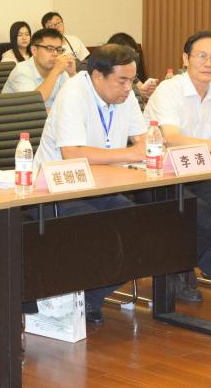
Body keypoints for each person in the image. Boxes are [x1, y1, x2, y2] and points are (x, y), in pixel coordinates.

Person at [35, 44, 147, 323]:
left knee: (142, 229)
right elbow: (72, 153)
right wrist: (131, 154)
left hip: (103, 186)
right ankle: (77, 301)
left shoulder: (125, 94)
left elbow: (145, 140)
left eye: (132, 80)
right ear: (97, 76)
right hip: (58, 191)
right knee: (103, 233)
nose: (129, 88)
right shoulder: (73, 93)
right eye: (122, 81)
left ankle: (88, 300)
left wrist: (140, 149)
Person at [144, 30, 211, 303]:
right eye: (202, 56)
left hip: (196, 173)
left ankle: (189, 267)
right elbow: (171, 138)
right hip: (158, 177)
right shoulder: (169, 90)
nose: (208, 63)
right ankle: (177, 271)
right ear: (185, 59)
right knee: (204, 215)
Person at [2, 27, 75, 109]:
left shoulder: (60, 70)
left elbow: (74, 100)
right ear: (34, 50)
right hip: (18, 116)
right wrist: (55, 71)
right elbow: (33, 104)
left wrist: (72, 74)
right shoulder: (21, 71)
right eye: (49, 49)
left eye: (59, 49)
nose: (55, 54)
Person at [107, 32, 157, 101]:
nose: (131, 60)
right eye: (127, 56)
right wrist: (137, 92)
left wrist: (146, 92)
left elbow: (141, 89)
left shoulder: (129, 72)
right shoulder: (107, 74)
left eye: (133, 56)